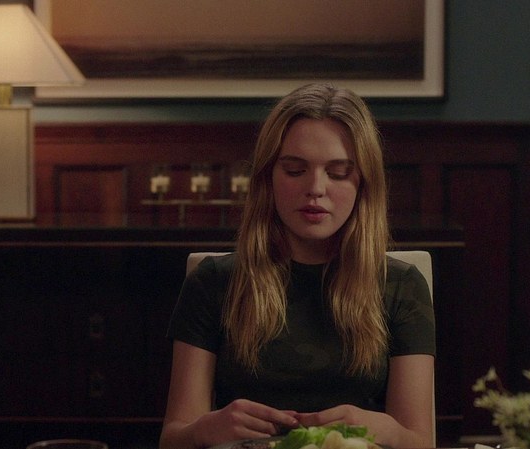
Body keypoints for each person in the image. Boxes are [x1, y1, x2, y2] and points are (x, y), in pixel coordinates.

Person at [160, 83, 435, 449]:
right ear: (268, 178)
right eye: (294, 170)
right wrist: (205, 429)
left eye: (338, 172)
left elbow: (420, 442)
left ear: (363, 184)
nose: (315, 188)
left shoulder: (402, 286)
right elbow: (172, 439)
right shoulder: (213, 281)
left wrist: (381, 429)